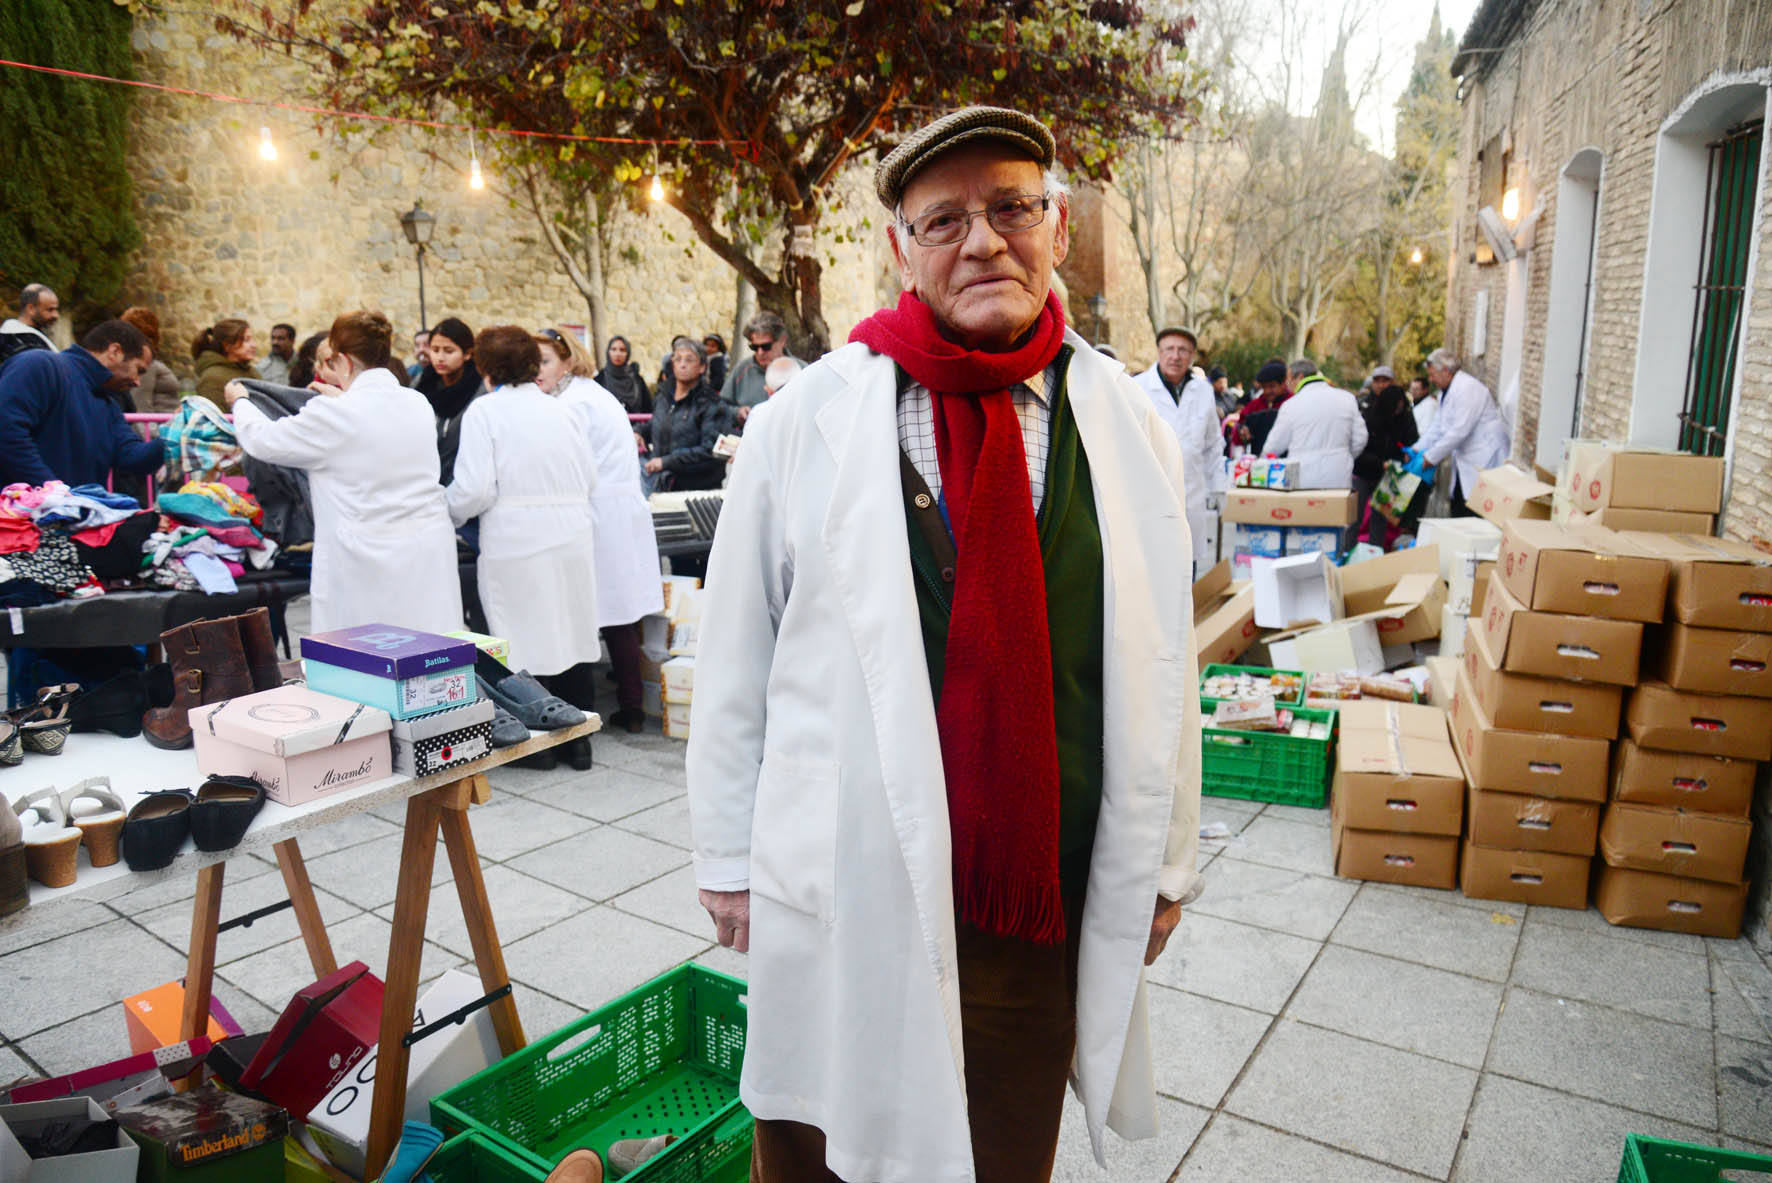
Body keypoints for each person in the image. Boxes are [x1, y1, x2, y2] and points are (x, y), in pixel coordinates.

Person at [687, 106, 1202, 1183]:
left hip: (1032, 878)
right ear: (898, 249)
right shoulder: (806, 422)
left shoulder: (1122, 419)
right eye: (943, 220)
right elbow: (735, 651)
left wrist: (1164, 861)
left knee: (1001, 1147)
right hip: (846, 867)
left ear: (1055, 225)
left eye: (1010, 206)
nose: (982, 240)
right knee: (819, 1136)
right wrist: (727, 857)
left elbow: (1163, 663)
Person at [224, 311, 461, 634]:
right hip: (426, 547)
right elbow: (370, 420)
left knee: (364, 657)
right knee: (429, 649)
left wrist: (240, 402)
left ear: (344, 361)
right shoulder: (416, 403)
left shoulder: (335, 414)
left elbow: (263, 440)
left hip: (365, 555)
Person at [446, 326, 600, 769]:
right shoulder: (562, 410)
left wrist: (448, 511)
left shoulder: (485, 413)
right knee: (570, 628)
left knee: (522, 634)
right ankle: (580, 740)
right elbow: (590, 477)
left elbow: (474, 488)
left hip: (517, 536)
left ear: (485, 366)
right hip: (570, 531)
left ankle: (537, 747)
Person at [536, 327, 663, 735]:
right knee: (619, 612)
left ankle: (606, 706)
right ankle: (632, 706)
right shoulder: (595, 394)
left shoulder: (571, 404)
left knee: (601, 612)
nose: (537, 371)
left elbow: (569, 468)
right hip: (618, 511)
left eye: (544, 362)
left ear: (567, 361)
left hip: (597, 515)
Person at [0, 320, 162, 488]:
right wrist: (53, 490)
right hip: (19, 511)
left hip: (67, 510)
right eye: (139, 370)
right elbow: (7, 432)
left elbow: (133, 459)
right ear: (114, 351)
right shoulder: (40, 365)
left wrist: (173, 434)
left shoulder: (107, 404)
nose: (137, 382)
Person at [1133, 326, 1223, 570]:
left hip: (1192, 493)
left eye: (1183, 350)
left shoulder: (1203, 391)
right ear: (1159, 352)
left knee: (1186, 569)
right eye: (1170, 349)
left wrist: (1218, 488)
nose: (1176, 356)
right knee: (1153, 568)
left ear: (1192, 356)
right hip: (1150, 494)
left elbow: (1213, 443)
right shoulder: (1137, 387)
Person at [1415, 347, 1510, 516]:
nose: (1431, 380)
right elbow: (1438, 426)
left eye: (1432, 375)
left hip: (1484, 457)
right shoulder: (1446, 392)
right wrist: (1417, 448)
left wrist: (1431, 457)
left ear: (1445, 371)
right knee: (1460, 504)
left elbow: (1459, 431)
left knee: (1473, 510)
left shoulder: (1468, 388)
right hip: (1466, 460)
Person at [1262, 360, 1367, 490]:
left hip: (1302, 477)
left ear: (1299, 377)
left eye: (1289, 381)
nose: (1288, 387)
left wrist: (1260, 463)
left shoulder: (1291, 405)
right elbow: (1361, 438)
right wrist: (1343, 455)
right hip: (1338, 475)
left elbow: (1274, 446)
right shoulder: (1347, 399)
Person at [641, 338, 725, 491]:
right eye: (677, 359)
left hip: (698, 488)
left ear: (701, 367)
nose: (682, 364)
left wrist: (667, 462)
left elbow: (711, 450)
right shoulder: (663, 397)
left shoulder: (711, 403)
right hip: (660, 485)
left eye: (689, 359)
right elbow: (658, 423)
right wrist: (639, 432)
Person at [413, 317, 483, 485]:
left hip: (463, 479)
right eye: (435, 350)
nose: (440, 357)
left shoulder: (479, 390)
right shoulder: (421, 383)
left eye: (449, 351)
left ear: (467, 354)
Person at [1352, 364, 1419, 511]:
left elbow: (1410, 437)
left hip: (1389, 473)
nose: (1381, 385)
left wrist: (1404, 454)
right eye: (1377, 381)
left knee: (1381, 519)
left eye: (1385, 381)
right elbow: (1356, 443)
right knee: (1354, 518)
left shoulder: (1403, 410)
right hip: (1363, 470)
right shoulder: (1363, 406)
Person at [719, 311, 794, 422]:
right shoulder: (742, 369)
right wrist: (737, 412)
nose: (760, 352)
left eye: (766, 346)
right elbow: (721, 406)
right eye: (754, 347)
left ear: (782, 341)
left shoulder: (801, 370)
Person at [191, 319, 260, 410]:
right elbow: (216, 418)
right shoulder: (212, 378)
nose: (253, 345)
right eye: (246, 340)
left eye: (252, 339)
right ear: (227, 346)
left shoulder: (251, 371)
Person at [1235, 359, 1291, 453]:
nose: (1267, 391)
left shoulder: (1292, 403)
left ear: (1283, 383)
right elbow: (1237, 435)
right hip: (1259, 463)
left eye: (1272, 386)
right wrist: (1242, 432)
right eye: (1264, 387)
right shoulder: (1254, 406)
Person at [0, 284, 58, 367]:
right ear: (31, 309)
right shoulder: (26, 344)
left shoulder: (30, 338)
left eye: (56, 309)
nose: (55, 315)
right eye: (50, 310)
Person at [595, 335, 649, 414]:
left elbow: (647, 408)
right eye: (613, 349)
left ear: (628, 353)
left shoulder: (637, 380)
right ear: (608, 352)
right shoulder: (599, 380)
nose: (617, 354)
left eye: (622, 350)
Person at [1410, 373, 1440, 437]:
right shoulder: (1413, 404)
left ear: (1425, 390)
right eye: (1412, 389)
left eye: (1417, 389)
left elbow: (1426, 431)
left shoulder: (1431, 405)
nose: (1413, 391)